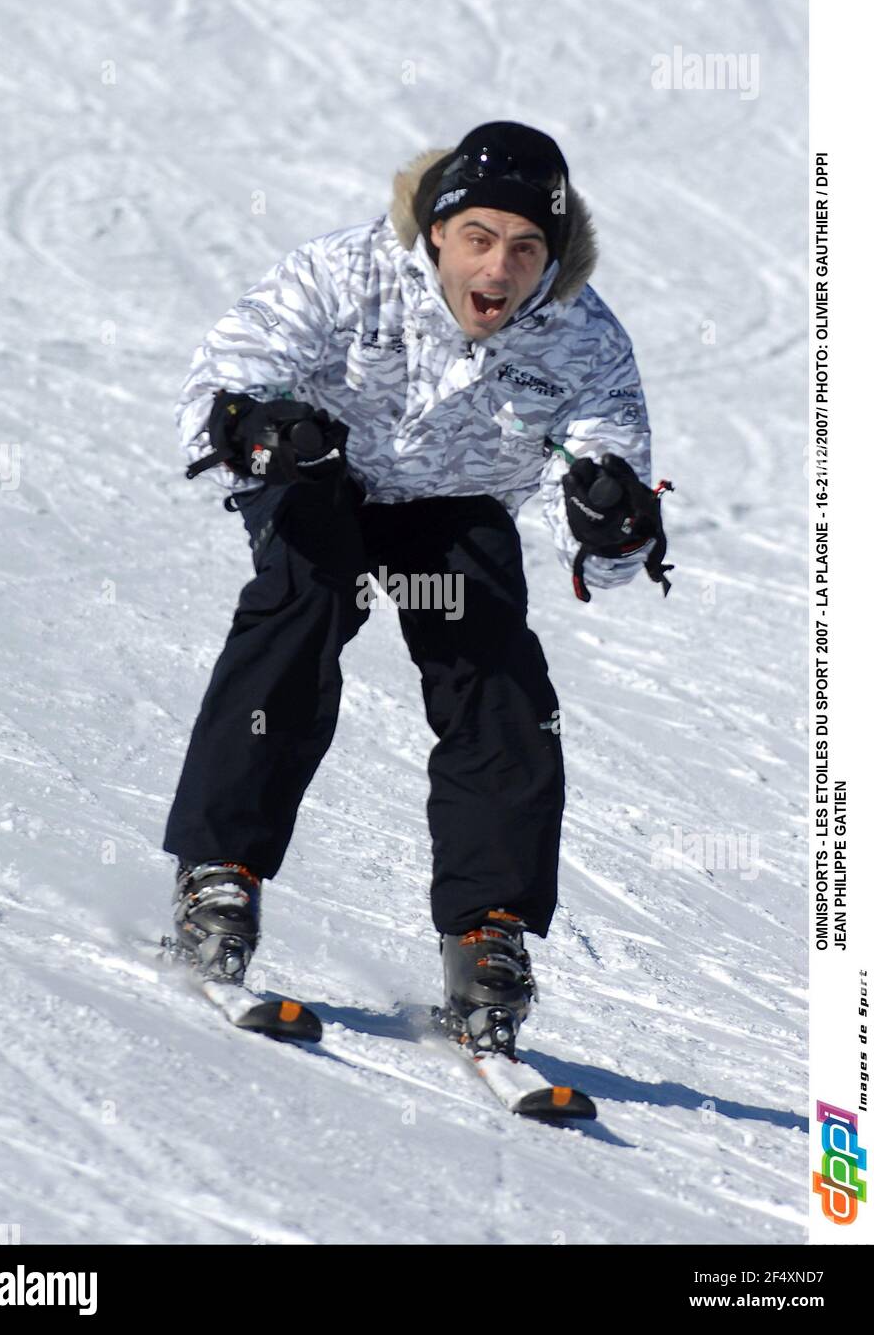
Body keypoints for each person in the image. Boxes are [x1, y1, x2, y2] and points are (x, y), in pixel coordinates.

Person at [164, 120, 672, 1054]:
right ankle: (219, 871)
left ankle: (489, 933)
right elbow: (227, 374)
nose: (501, 268)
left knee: (499, 675)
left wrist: (612, 520)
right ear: (437, 232)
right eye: (479, 237)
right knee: (304, 603)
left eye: (526, 249)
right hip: (322, 473)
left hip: (449, 507)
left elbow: (605, 511)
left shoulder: (585, 341)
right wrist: (262, 429)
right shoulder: (347, 271)